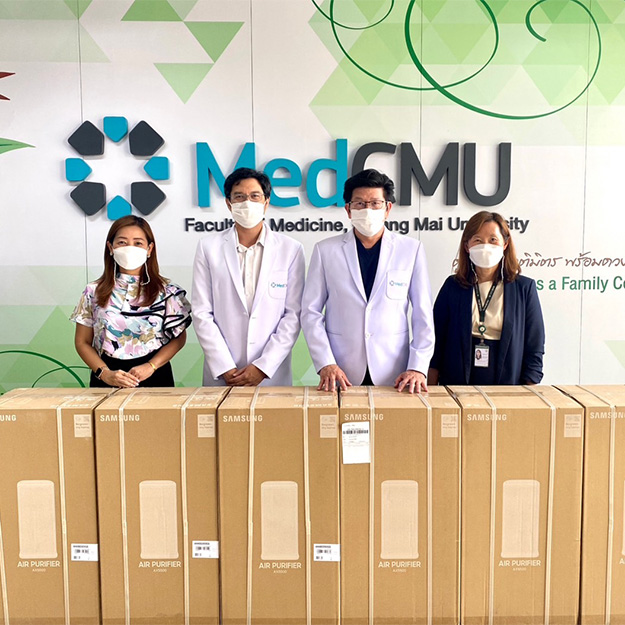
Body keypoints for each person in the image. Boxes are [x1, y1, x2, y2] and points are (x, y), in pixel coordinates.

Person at [301, 168, 435, 393]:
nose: (367, 210)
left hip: (396, 372)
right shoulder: (326, 251)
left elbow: (423, 314)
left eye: (375, 203)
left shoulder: (410, 250)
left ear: (387, 208)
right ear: (348, 209)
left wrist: (418, 367)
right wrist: (325, 362)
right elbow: (310, 312)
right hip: (340, 372)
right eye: (360, 204)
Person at [192, 167, 305, 386]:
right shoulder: (208, 248)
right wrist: (224, 366)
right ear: (229, 203)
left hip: (271, 374)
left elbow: (293, 314)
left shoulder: (290, 249)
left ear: (266, 202)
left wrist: (263, 366)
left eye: (255, 196)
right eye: (239, 197)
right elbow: (201, 312)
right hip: (224, 374)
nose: (247, 203)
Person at [71, 215, 191, 387]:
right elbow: (82, 342)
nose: (129, 248)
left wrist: (151, 366)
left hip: (155, 375)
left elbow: (179, 338)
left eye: (138, 243)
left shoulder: (167, 292)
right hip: (106, 376)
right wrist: (104, 373)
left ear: (149, 249)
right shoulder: (93, 291)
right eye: (122, 242)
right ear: (110, 247)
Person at [428, 210, 545, 386]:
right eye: (477, 240)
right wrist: (431, 389)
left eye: (493, 240)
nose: (485, 246)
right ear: (467, 246)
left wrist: (528, 389)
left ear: (505, 244)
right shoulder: (453, 286)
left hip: (508, 386)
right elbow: (436, 341)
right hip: (457, 385)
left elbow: (534, 345)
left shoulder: (524, 288)